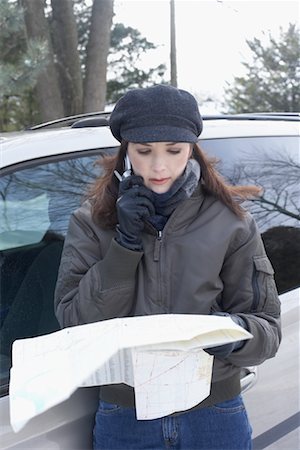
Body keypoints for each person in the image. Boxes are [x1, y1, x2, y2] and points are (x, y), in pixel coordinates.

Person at [54, 84, 281, 450]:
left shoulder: (231, 222)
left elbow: (267, 328)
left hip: (213, 414)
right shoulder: (90, 222)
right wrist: (123, 247)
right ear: (125, 154)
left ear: (192, 149)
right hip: (126, 417)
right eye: (144, 152)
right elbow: (74, 323)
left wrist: (227, 335)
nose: (159, 167)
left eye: (174, 151)